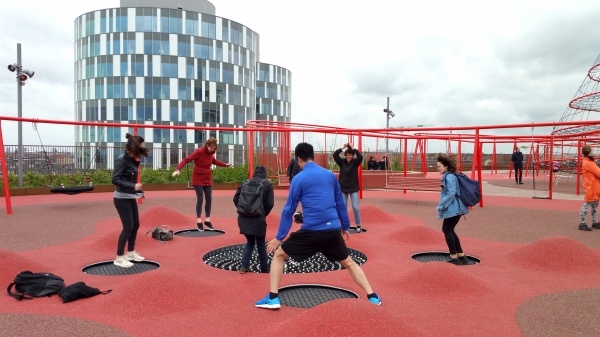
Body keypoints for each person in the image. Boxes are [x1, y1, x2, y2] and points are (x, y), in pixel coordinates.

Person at [254, 142, 381, 309]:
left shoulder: (298, 178)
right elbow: (340, 204)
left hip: (311, 232)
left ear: (298, 159)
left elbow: (288, 210)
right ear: (312, 156)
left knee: (279, 255)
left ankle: (273, 298)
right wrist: (345, 226)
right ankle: (373, 296)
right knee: (349, 262)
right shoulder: (329, 175)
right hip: (332, 230)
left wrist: (279, 237)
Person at [172, 137, 231, 231]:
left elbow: (214, 161)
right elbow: (186, 159)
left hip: (207, 178)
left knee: (209, 199)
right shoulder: (199, 152)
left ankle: (207, 220)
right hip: (198, 178)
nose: (212, 150)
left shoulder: (211, 154)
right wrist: (178, 169)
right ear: (207, 145)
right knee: (200, 199)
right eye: (211, 148)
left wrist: (225, 165)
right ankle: (199, 221)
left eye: (214, 148)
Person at [112, 133, 149, 268]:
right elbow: (115, 179)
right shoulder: (122, 160)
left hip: (130, 196)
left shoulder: (133, 160)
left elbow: (131, 180)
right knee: (128, 227)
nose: (144, 147)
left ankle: (131, 252)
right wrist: (133, 186)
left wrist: (139, 192)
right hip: (121, 198)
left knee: (136, 225)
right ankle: (119, 257)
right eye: (142, 145)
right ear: (136, 147)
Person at [233, 166, 274, 273]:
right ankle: (264, 269)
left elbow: (235, 199)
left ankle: (244, 266)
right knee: (261, 244)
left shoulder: (245, 183)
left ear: (254, 173)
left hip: (243, 219)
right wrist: (263, 213)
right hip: (258, 218)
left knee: (250, 242)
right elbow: (270, 203)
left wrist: (243, 210)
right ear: (264, 174)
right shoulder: (267, 184)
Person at [436, 153, 469, 265]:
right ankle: (461, 255)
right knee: (449, 230)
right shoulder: (450, 175)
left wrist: (441, 205)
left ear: (446, 166)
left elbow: (451, 192)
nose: (438, 168)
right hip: (457, 208)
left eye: (439, 166)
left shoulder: (449, 176)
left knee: (447, 230)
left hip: (454, 208)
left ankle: (454, 257)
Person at [333, 143, 363, 232]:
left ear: (352, 156)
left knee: (355, 207)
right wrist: (343, 147)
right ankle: (344, 225)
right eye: (347, 155)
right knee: (343, 207)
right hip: (343, 188)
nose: (348, 156)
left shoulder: (355, 163)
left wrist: (353, 148)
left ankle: (358, 225)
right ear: (345, 155)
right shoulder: (342, 162)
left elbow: (360, 156)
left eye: (350, 155)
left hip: (353, 188)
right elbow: (335, 155)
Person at [578, 145, 600, 231]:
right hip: (592, 186)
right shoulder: (589, 163)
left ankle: (595, 222)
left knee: (594, 205)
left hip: (593, 186)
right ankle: (582, 223)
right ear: (589, 152)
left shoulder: (587, 162)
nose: (593, 152)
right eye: (592, 151)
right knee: (587, 205)